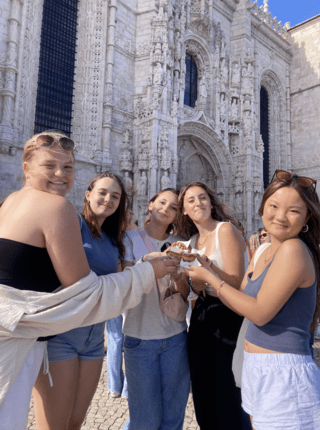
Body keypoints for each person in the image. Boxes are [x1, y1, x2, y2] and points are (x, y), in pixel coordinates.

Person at [0, 131, 179, 429]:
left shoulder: (10, 203)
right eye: (49, 166)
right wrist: (150, 271)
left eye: (68, 167)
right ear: (26, 167)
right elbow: (86, 296)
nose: (60, 174)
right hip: (41, 337)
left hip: (51, 335)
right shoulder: (58, 209)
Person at [185, 170, 320, 429]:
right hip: (257, 369)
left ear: (306, 219)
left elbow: (258, 312)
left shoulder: (294, 249)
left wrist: (210, 277)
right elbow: (241, 297)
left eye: (293, 210)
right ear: (262, 207)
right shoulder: (265, 250)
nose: (280, 216)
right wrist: (207, 267)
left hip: (283, 372)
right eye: (274, 205)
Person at [32, 171, 129, 428]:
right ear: (88, 194)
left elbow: (116, 284)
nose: (108, 199)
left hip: (94, 340)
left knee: (75, 422)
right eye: (102, 192)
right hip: (59, 337)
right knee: (53, 424)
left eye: (115, 196)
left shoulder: (112, 240)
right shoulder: (72, 223)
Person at [177, 181, 246, 430]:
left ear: (211, 201)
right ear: (183, 210)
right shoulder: (191, 241)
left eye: (203, 197)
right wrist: (182, 276)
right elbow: (195, 291)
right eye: (191, 200)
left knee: (228, 397)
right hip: (201, 318)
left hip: (228, 314)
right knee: (204, 398)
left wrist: (207, 267)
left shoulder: (225, 230)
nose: (198, 203)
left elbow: (236, 283)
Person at [122, 188, 191, 430]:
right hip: (139, 337)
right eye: (162, 203)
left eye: (173, 207)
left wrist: (180, 273)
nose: (166, 209)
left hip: (175, 336)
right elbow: (123, 285)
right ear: (150, 204)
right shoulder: (129, 239)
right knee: (145, 419)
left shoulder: (180, 244)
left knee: (173, 416)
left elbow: (184, 292)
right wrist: (148, 263)